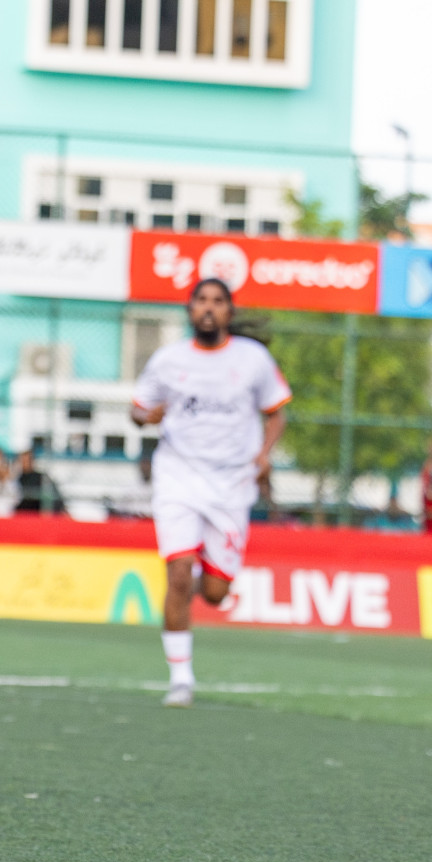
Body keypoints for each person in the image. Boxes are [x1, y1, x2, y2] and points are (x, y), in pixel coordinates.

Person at [131, 277, 288, 708]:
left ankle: (196, 582)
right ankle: (181, 678)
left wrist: (263, 455)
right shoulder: (168, 360)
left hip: (231, 484)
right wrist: (147, 416)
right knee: (177, 572)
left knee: (216, 593)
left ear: (229, 313)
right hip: (178, 476)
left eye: (218, 302)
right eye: (201, 300)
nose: (208, 308)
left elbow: (276, 413)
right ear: (189, 309)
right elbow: (138, 407)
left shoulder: (253, 359)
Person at [14, 449, 65, 514]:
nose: (25, 463)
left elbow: (55, 496)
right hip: (21, 514)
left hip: (37, 515)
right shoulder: (16, 478)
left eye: (27, 460)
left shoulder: (41, 477)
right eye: (22, 460)